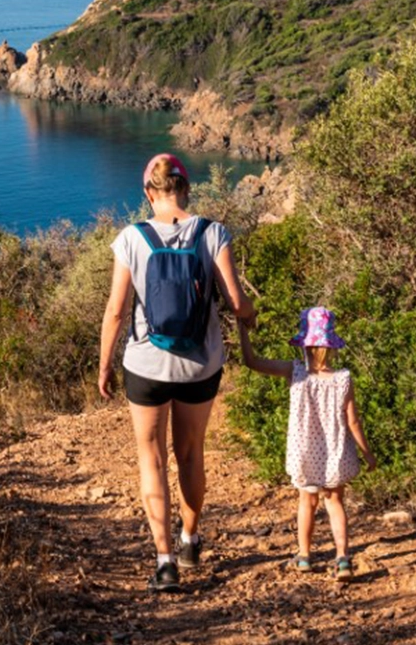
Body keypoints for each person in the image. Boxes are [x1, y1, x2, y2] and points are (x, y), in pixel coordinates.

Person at [99, 153, 255, 593]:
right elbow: (236, 300)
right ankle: (190, 539)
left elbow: (115, 312)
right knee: (190, 454)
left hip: (145, 366)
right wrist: (250, 315)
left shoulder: (131, 237)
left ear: (149, 192)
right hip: (199, 365)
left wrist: (104, 365)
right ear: (186, 188)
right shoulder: (213, 232)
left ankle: (164, 561)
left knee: (151, 457)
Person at [239, 306, 377, 581]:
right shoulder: (343, 380)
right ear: (331, 346)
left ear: (305, 344)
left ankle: (304, 556)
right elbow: (353, 422)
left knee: (307, 501)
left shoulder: (295, 372)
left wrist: (242, 327)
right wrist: (367, 453)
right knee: (335, 501)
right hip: (335, 453)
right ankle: (342, 559)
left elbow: (252, 361)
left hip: (304, 453)